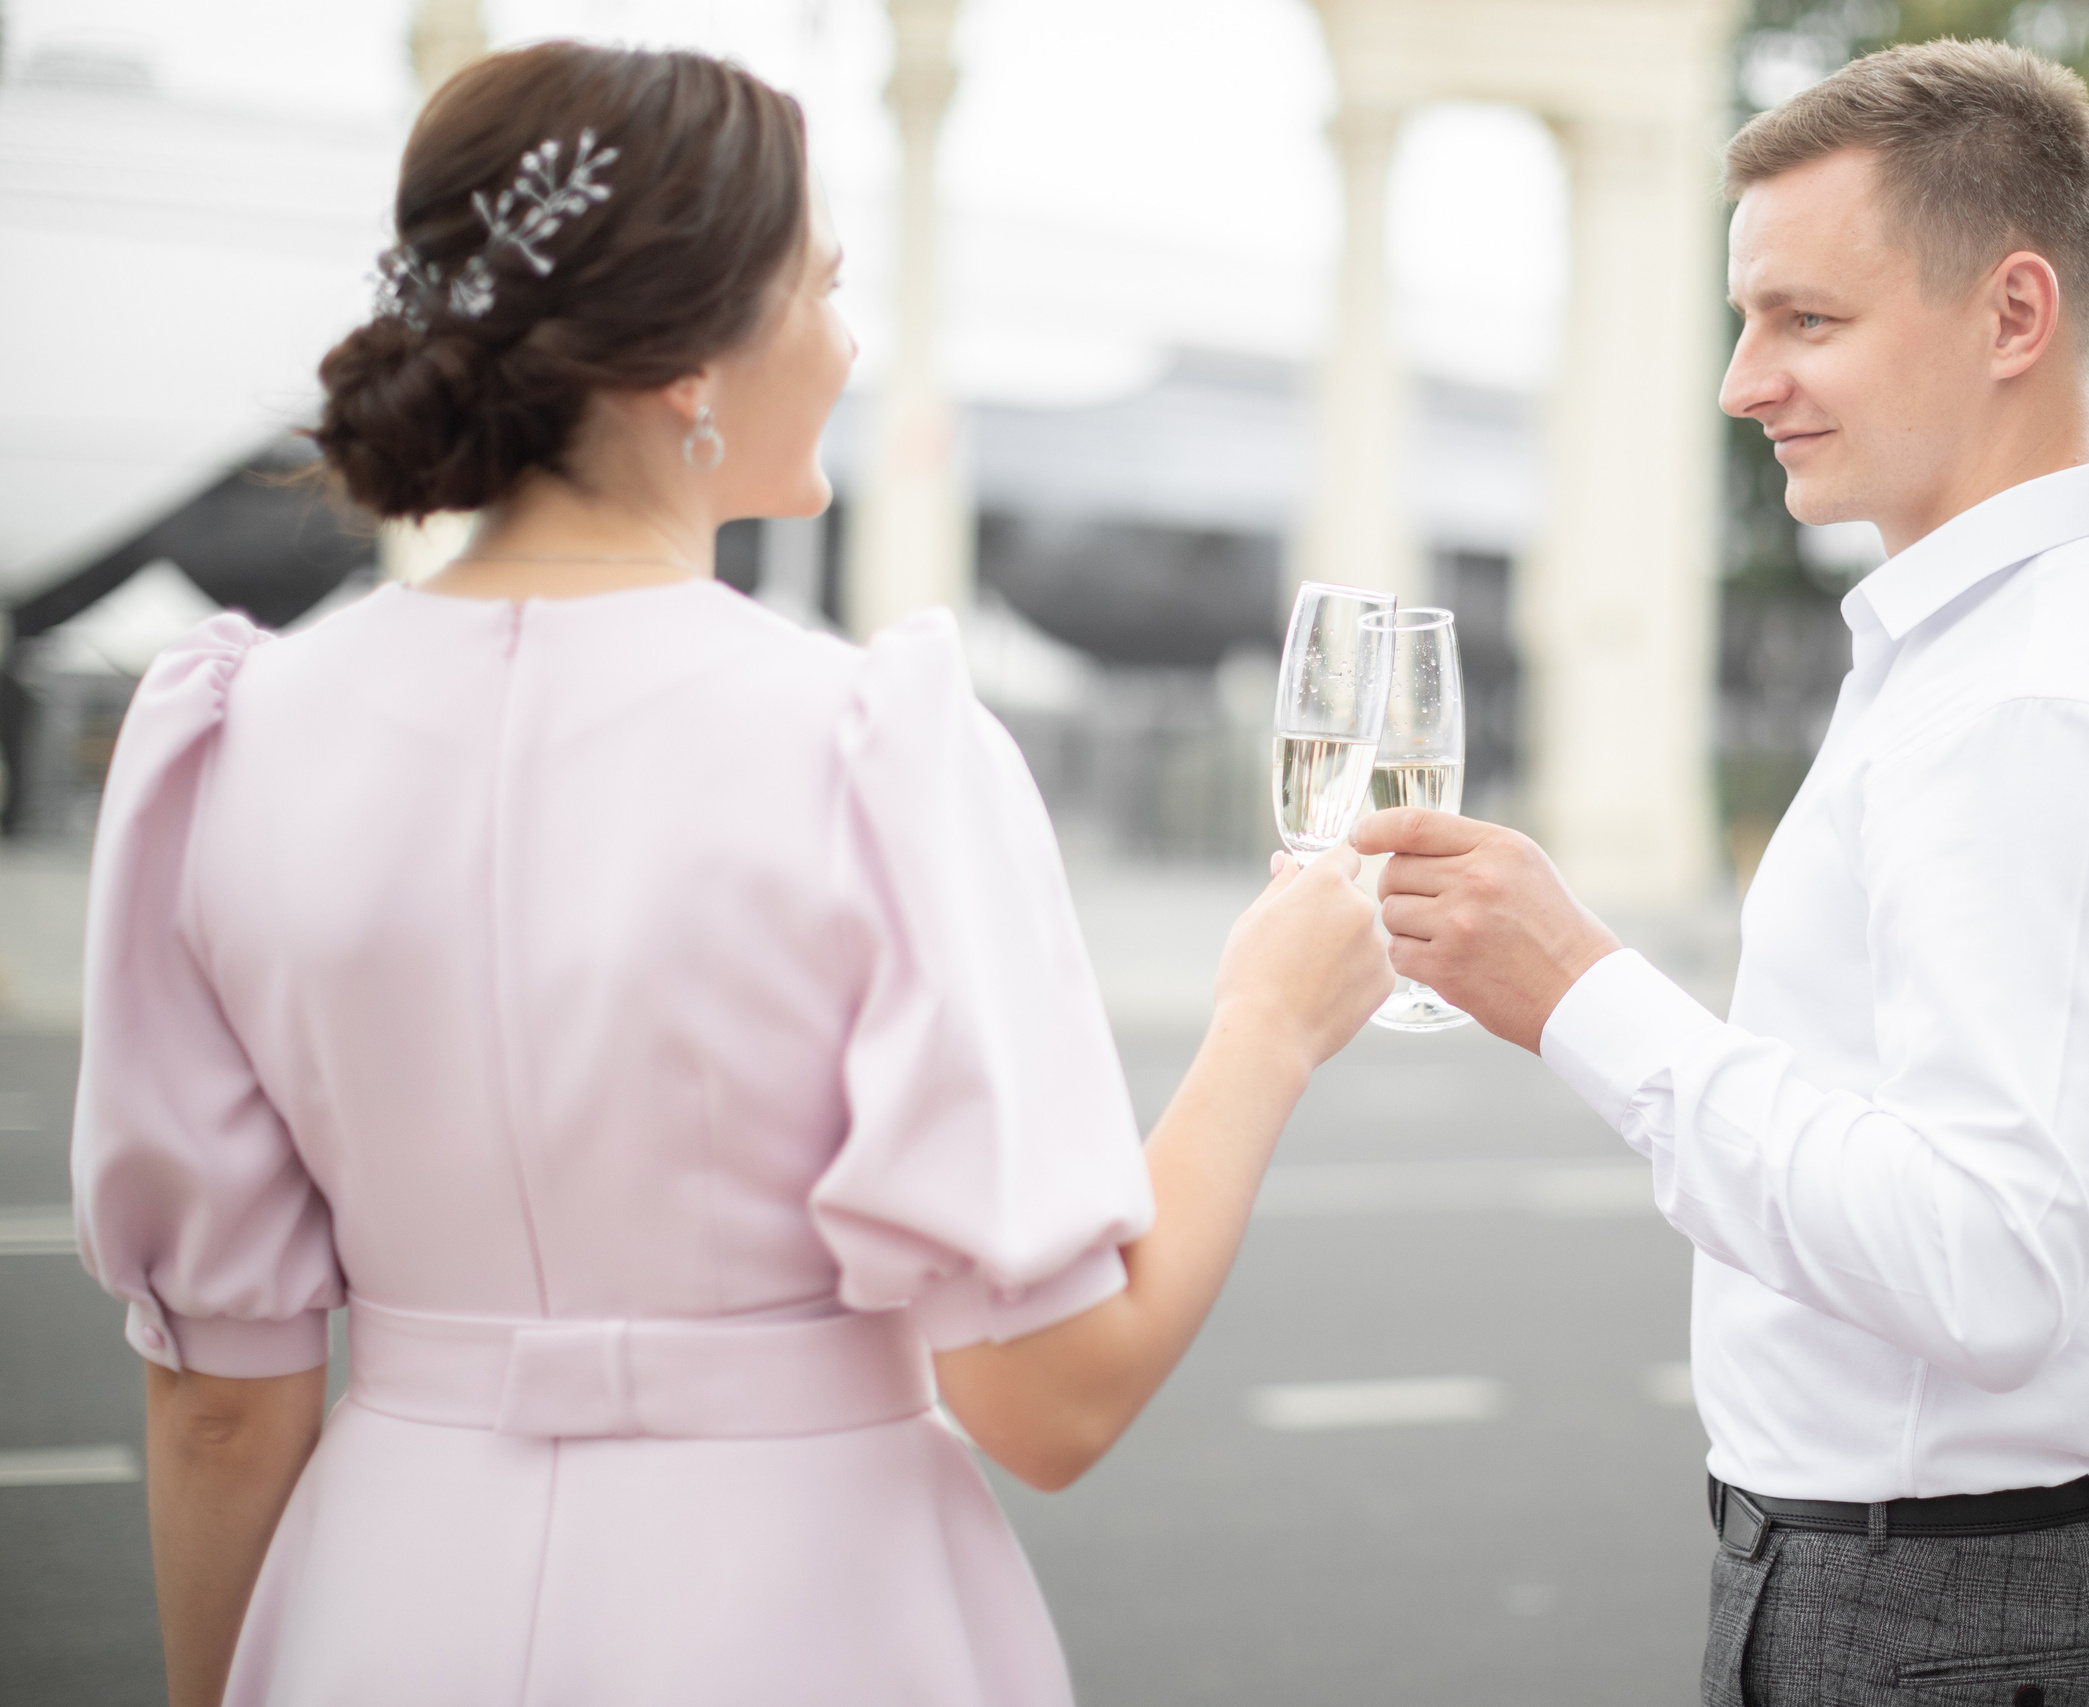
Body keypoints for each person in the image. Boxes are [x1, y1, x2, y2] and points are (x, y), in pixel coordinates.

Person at [70, 43, 1391, 1707]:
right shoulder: (869, 743)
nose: (847, 342)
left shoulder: (229, 738)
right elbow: (1054, 1400)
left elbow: (215, 1401)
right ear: (691, 360)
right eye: (825, 286)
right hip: (806, 1617)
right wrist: (1268, 1023)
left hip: (382, 1604)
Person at [1359, 40, 2089, 1707]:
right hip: (2022, 1576)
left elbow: (1991, 1262)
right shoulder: (2072, 627)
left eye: (1808, 319)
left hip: (1954, 1609)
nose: (1743, 379)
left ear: (2015, 315)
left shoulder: (2031, 697)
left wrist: (1580, 993)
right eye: (1749, 318)